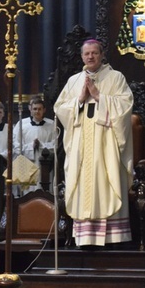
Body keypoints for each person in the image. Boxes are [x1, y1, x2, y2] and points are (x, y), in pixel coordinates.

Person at [54, 39, 134, 247]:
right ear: (81, 56)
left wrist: (99, 96)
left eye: (94, 53)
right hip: (80, 143)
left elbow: (125, 106)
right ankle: (84, 239)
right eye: (86, 54)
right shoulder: (74, 81)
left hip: (105, 142)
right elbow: (59, 109)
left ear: (102, 55)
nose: (90, 57)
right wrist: (80, 99)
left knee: (105, 179)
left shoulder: (115, 78)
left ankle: (113, 239)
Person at [13, 96, 57, 195]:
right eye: (35, 109)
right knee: (28, 192)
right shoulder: (22, 125)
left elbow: (55, 145)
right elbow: (16, 146)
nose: (37, 111)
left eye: (39, 109)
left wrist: (40, 145)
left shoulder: (51, 125)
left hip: (45, 165)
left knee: (44, 191)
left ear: (44, 110)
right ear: (30, 109)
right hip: (27, 163)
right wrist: (31, 146)